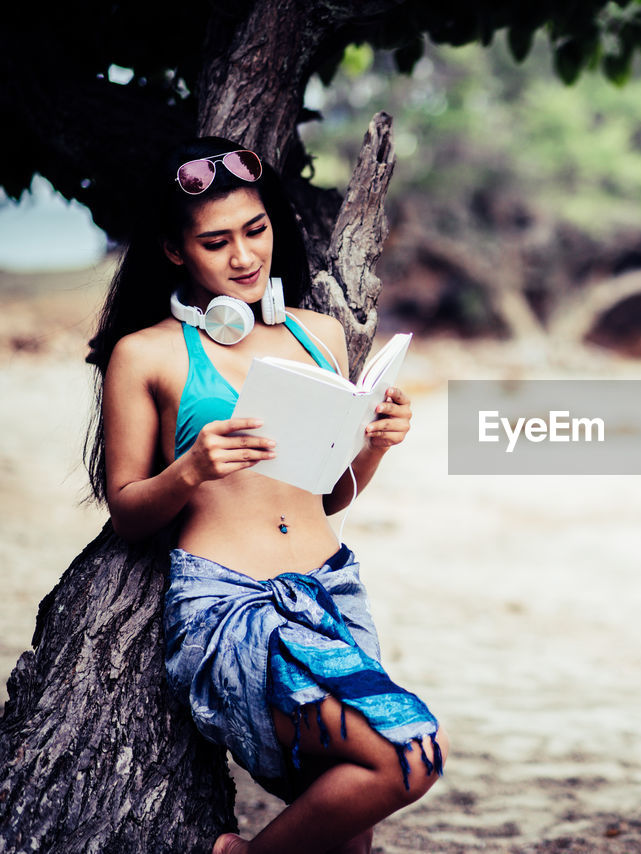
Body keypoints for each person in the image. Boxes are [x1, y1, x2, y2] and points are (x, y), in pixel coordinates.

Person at [83, 136, 446, 854]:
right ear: (175, 250)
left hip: (333, 593)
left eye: (256, 231)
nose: (245, 257)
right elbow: (127, 512)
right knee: (408, 755)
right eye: (216, 242)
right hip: (231, 607)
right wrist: (190, 469)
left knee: (349, 824)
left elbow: (329, 497)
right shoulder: (147, 353)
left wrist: (374, 441)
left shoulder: (318, 336)